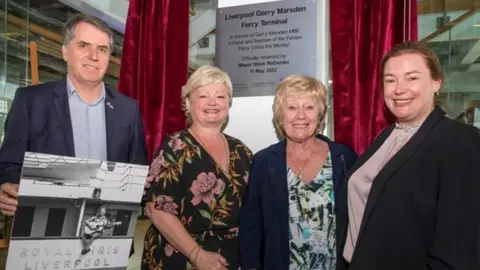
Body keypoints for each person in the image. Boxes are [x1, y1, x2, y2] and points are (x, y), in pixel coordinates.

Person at [0, 14, 149, 255]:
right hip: (44, 239)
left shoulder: (128, 109)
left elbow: (138, 166)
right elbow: (9, 163)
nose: (94, 55)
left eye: (102, 49)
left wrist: (142, 182)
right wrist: (8, 185)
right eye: (83, 46)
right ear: (65, 52)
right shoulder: (31, 101)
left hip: (107, 237)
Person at [338, 41, 480, 270]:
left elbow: (459, 247)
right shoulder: (387, 136)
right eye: (390, 80)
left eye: (411, 78)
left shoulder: (460, 141)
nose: (398, 89)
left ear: (436, 83)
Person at [239, 75, 357, 270]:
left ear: (320, 114)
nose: (301, 116)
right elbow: (251, 224)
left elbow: (358, 220)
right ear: (280, 115)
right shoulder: (263, 161)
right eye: (292, 108)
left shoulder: (344, 158)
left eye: (309, 107)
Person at [142, 65, 252, 270]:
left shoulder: (241, 150)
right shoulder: (174, 147)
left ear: (229, 103)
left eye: (220, 96)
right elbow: (156, 209)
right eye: (203, 96)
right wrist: (197, 255)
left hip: (231, 258)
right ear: (188, 103)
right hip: (179, 256)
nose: (212, 102)